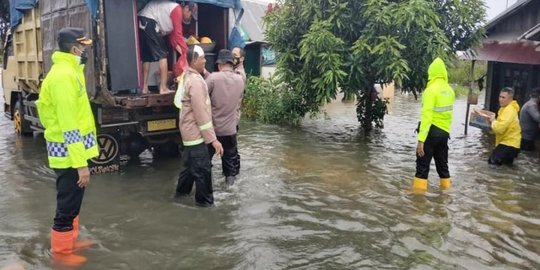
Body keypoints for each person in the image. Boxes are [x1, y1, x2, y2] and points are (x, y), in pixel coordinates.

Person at [36, 27, 99, 265]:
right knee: (66, 204)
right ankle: (61, 254)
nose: (84, 51)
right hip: (68, 156)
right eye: (82, 46)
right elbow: (70, 124)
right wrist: (80, 164)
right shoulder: (63, 76)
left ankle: (70, 241)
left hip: (73, 154)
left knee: (73, 201)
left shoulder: (70, 71)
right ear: (74, 48)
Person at [175, 45, 224, 207]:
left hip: (189, 137)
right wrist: (213, 140)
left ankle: (179, 198)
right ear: (194, 60)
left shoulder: (188, 76)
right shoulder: (195, 82)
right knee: (203, 173)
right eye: (203, 58)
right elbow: (201, 114)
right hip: (196, 138)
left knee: (188, 171)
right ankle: (205, 209)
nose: (205, 61)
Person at [412, 58, 455, 195]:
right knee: (443, 166)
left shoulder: (430, 90)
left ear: (431, 73)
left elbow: (427, 116)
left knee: (422, 167)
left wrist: (421, 140)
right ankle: (446, 194)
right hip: (444, 134)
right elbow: (448, 115)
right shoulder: (450, 90)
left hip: (430, 133)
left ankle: (418, 199)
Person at [138, 0, 197, 94]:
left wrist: (183, 53)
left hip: (144, 20)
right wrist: (187, 52)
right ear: (186, 9)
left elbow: (173, 38)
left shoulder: (175, 11)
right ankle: (163, 88)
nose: (190, 19)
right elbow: (178, 35)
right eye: (190, 15)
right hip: (149, 20)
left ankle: (144, 88)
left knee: (147, 57)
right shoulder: (177, 10)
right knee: (163, 55)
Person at [206, 49, 245, 186]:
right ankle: (230, 189)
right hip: (230, 130)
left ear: (219, 64)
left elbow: (202, 94)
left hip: (213, 132)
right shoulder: (240, 80)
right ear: (230, 63)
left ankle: (207, 189)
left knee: (205, 162)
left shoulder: (213, 78)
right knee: (230, 166)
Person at [488, 87, 521, 165]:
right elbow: (499, 127)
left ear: (510, 99)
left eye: (503, 97)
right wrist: (491, 122)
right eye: (500, 97)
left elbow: (499, 128)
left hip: (508, 144)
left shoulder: (509, 110)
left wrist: (493, 120)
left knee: (492, 164)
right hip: (512, 144)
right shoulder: (505, 108)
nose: (500, 99)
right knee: (506, 167)